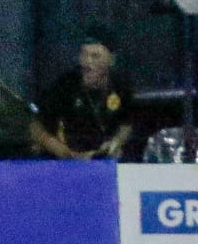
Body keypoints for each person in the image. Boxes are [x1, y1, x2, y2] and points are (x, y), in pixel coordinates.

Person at [30, 29, 134, 160]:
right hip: (69, 162)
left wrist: (116, 143)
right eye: (83, 55)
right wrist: (62, 151)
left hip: (105, 161)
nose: (87, 63)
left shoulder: (121, 87)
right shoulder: (66, 85)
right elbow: (35, 125)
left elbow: (126, 124)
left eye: (95, 56)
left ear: (111, 60)